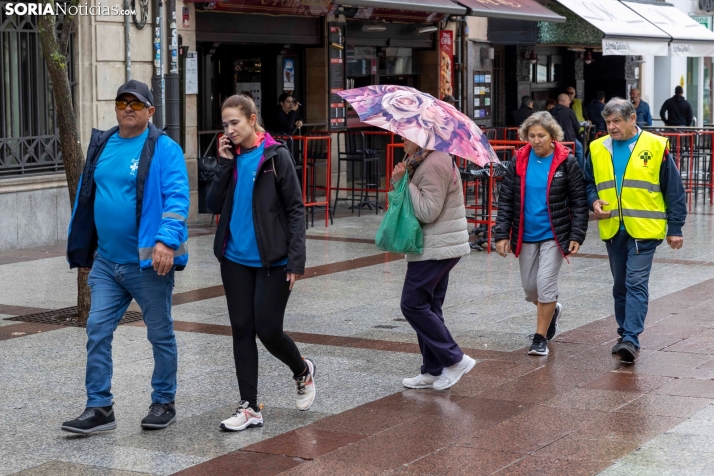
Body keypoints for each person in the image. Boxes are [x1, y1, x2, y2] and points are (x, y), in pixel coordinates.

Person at [62, 80, 190, 434]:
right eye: (122, 102)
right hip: (106, 261)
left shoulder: (163, 147)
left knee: (159, 333)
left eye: (136, 103)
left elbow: (178, 197)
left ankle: (164, 401)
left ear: (150, 111)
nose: (128, 108)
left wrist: (166, 241)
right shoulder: (102, 144)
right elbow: (87, 196)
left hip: (147, 262)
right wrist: (84, 247)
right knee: (97, 328)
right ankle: (99, 407)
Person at [207, 95, 314, 431]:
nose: (229, 130)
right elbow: (211, 203)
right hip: (234, 258)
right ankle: (250, 407)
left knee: (267, 330)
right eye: (225, 124)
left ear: (252, 120)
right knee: (242, 329)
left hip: (273, 260)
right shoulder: (230, 158)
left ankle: (302, 371)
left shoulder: (275, 157)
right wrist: (223, 164)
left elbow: (296, 209)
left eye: (234, 122)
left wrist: (296, 260)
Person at [583, 98, 687, 363]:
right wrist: (593, 200)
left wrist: (675, 227)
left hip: (644, 229)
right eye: (608, 122)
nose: (612, 127)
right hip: (613, 228)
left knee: (635, 282)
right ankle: (624, 333)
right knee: (620, 286)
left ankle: (631, 338)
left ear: (632, 119)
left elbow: (673, 189)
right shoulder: (597, 148)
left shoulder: (654, 145)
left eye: (617, 121)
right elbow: (588, 182)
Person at [494, 112, 588, 356]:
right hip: (526, 234)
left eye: (541, 136)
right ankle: (552, 309)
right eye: (531, 136)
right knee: (530, 288)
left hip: (554, 234)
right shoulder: (519, 161)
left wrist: (577, 235)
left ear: (552, 136)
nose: (535, 141)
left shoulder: (566, 162)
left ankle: (540, 338)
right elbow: (506, 200)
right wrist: (501, 234)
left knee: (545, 284)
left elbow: (579, 201)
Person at [391, 140, 475, 391]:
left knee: (412, 304)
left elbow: (428, 211)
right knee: (429, 306)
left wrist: (403, 181)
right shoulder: (422, 159)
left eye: (406, 133)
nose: (401, 138)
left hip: (436, 247)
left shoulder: (434, 163)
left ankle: (455, 359)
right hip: (436, 244)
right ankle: (432, 369)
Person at [549, 93, 583, 168]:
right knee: (580, 148)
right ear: (563, 101)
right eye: (568, 100)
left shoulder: (550, 112)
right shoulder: (569, 111)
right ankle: (581, 170)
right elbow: (577, 127)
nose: (570, 102)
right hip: (569, 140)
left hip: (554, 140)